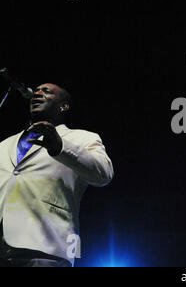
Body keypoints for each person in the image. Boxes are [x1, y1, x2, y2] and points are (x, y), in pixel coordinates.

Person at [0, 83, 114, 267]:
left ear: (64, 106)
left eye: (46, 91)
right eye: (36, 90)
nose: (38, 93)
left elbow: (104, 174)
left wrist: (60, 146)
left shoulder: (81, 138)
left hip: (47, 246)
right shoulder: (4, 144)